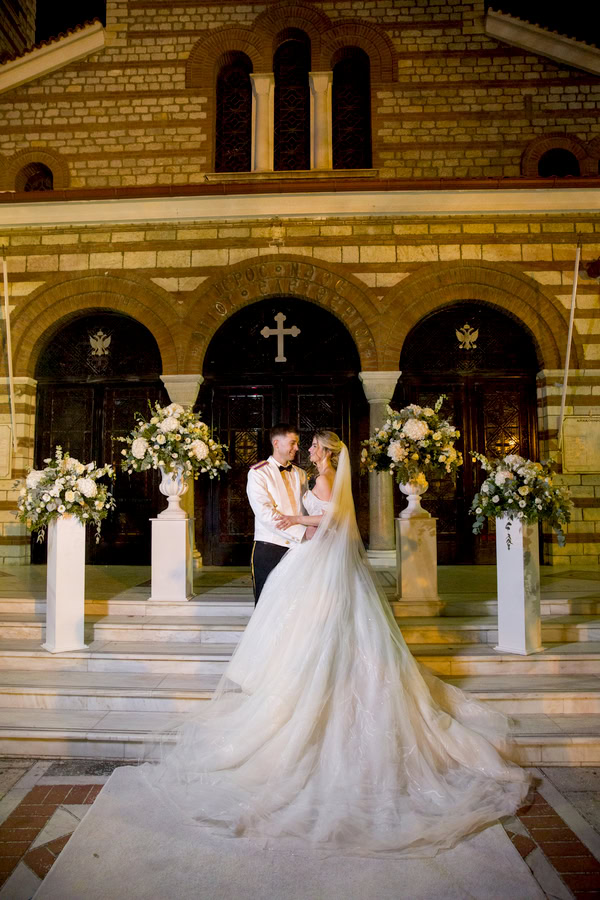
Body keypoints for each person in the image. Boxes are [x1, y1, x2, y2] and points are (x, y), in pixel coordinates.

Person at [143, 431, 531, 858]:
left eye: (310, 446)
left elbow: (333, 521)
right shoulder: (286, 475)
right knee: (295, 627)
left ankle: (318, 697)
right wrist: (299, 527)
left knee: (326, 632)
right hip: (300, 554)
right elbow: (290, 515)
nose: (305, 450)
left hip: (316, 555)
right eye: (300, 445)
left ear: (325, 453)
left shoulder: (323, 480)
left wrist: (300, 523)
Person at [246, 423, 308, 604]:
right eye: (292, 443)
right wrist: (302, 533)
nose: (296, 448)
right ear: (276, 443)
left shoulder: (301, 474)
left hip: (300, 549)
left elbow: (305, 509)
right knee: (266, 606)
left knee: (294, 605)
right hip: (270, 547)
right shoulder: (258, 473)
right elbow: (265, 513)